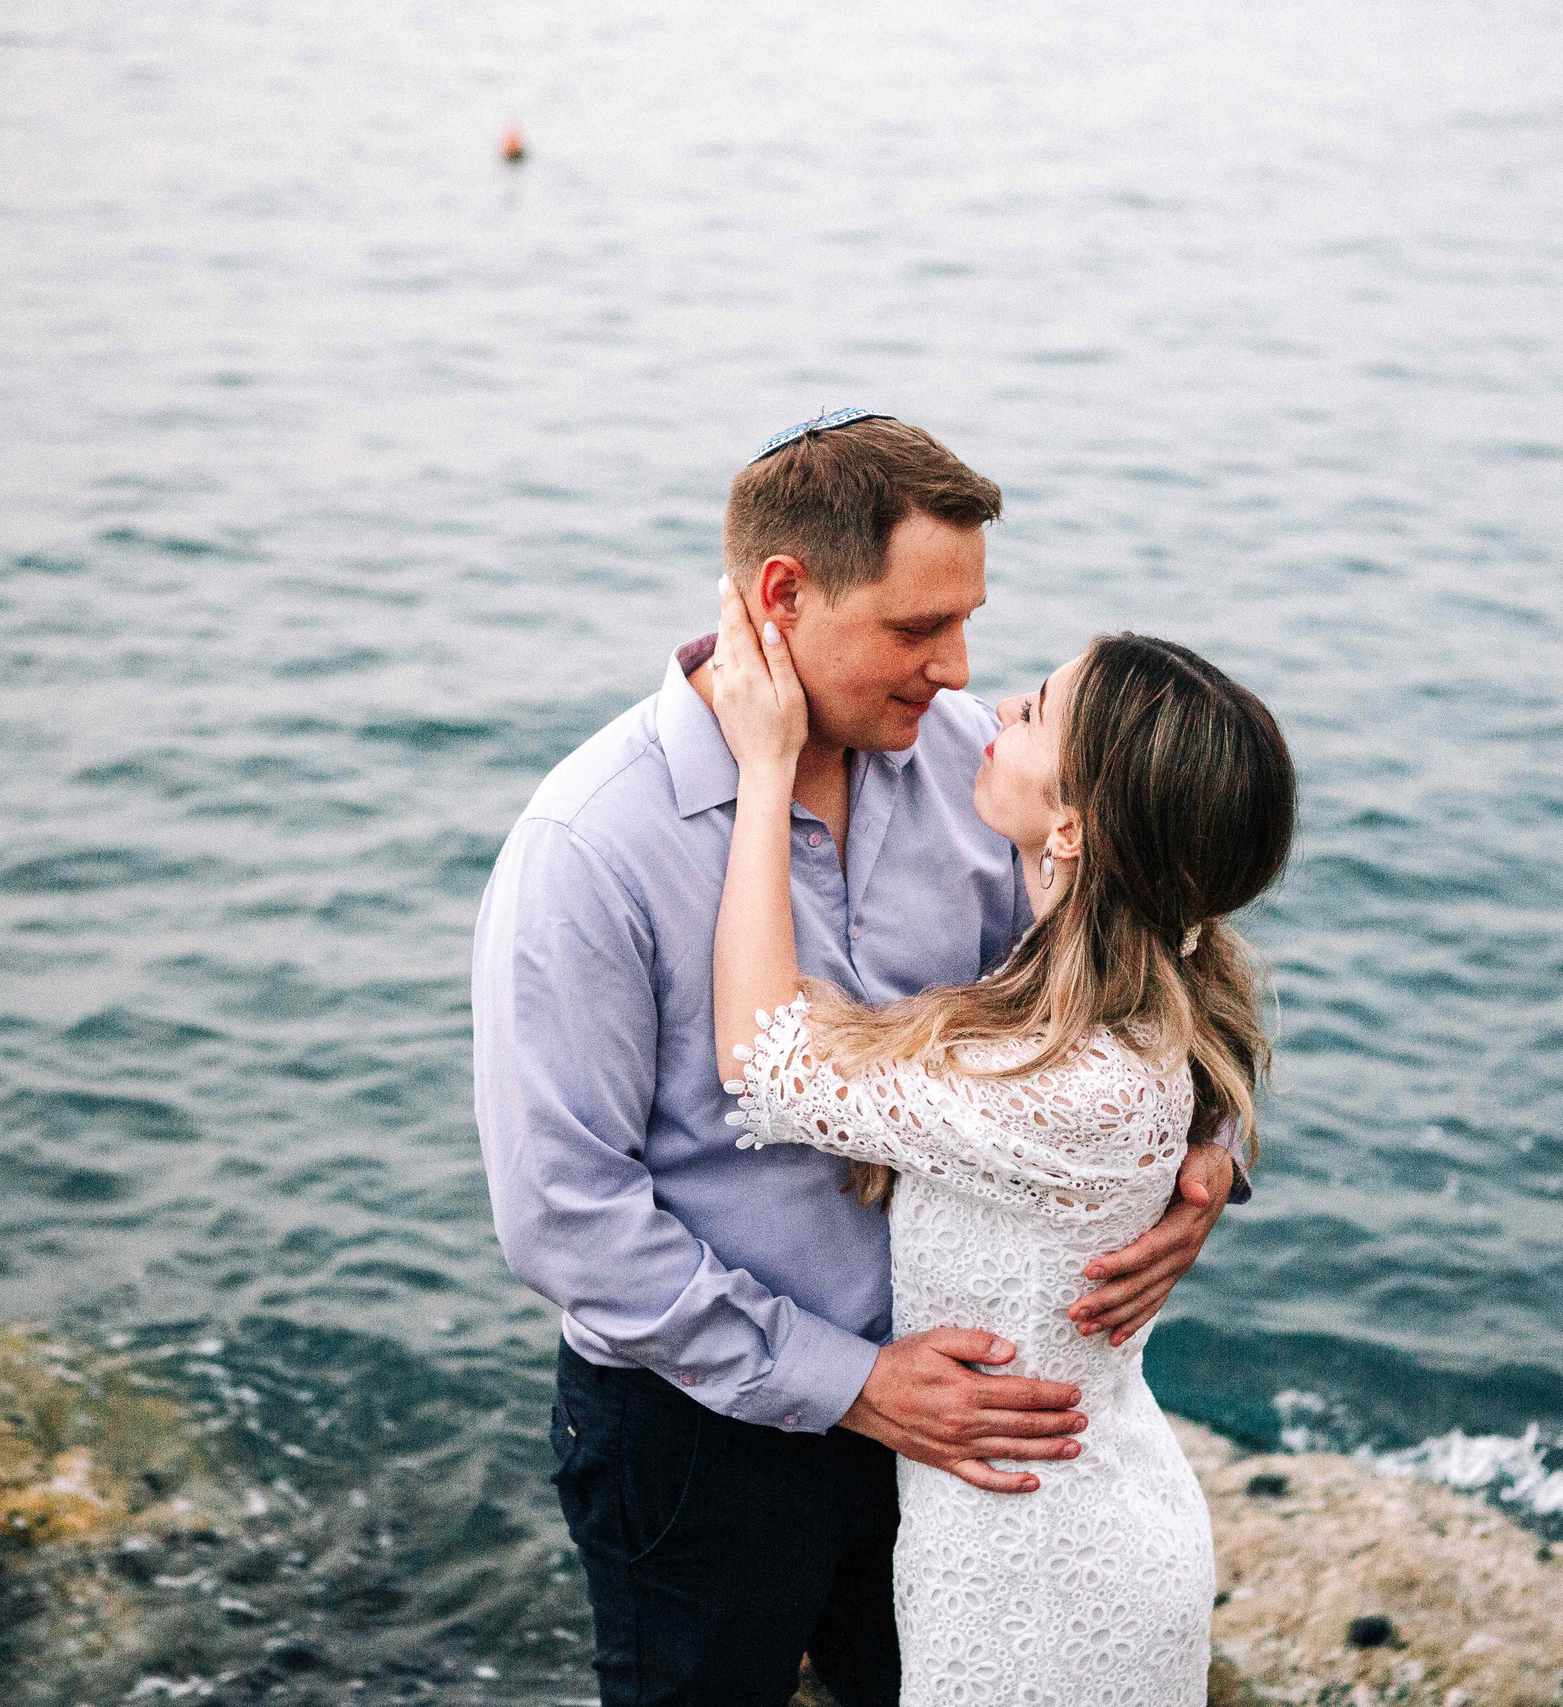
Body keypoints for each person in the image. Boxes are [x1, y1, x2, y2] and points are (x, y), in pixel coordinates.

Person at [471, 411, 1251, 1707]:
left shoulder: (971, 769)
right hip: (700, 1437)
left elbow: (1120, 980)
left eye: (966, 622)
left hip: (951, 1429)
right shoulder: (588, 845)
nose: (955, 670)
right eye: (915, 627)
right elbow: (564, 1218)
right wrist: (854, 1385)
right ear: (782, 595)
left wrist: (1201, 1159)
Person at [705, 583, 1295, 1707]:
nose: (991, 705)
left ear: (1071, 827)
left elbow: (765, 1064)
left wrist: (765, 768)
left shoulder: (1071, 1084)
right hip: (1039, 1526)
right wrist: (1211, 1151)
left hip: (1045, 1576)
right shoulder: (1112, 1001)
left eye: (1033, 713)